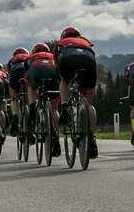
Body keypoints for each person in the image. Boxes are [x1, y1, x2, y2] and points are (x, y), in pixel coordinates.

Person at [53, 27, 98, 159]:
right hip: (88, 61)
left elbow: (57, 70)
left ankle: (66, 106)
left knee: (65, 81)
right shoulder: (85, 42)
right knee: (89, 103)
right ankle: (92, 138)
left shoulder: (60, 44)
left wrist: (65, 83)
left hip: (67, 60)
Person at [25, 43, 61, 157]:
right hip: (52, 72)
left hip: (36, 72)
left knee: (31, 87)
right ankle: (56, 139)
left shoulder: (31, 58)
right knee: (54, 109)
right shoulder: (51, 55)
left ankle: (32, 107)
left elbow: (27, 80)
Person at [6, 47, 30, 137]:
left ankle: (16, 116)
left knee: (13, 99)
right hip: (27, 71)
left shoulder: (12, 60)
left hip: (14, 71)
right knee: (29, 93)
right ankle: (29, 115)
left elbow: (9, 74)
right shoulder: (29, 57)